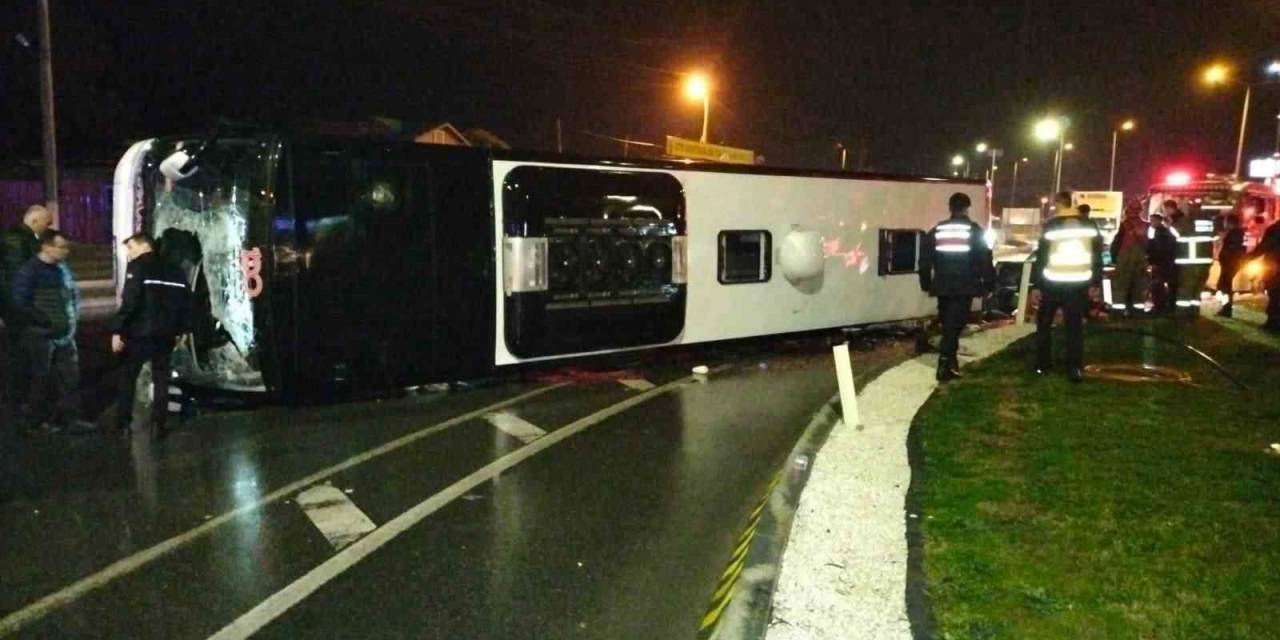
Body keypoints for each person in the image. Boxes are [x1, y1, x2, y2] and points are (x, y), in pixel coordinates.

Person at [9, 230, 94, 433]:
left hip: (64, 334)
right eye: (61, 247)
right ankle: (36, 423)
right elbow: (19, 303)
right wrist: (44, 321)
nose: (66, 251)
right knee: (41, 379)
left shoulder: (59, 270)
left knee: (70, 378)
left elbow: (68, 297)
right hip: (41, 335)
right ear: (46, 247)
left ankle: (70, 419)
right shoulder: (30, 271)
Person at [110, 233, 191, 439]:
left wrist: (118, 329)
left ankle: (123, 424)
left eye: (131, 247)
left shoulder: (138, 266)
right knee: (161, 378)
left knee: (128, 377)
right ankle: (159, 425)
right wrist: (182, 330)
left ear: (144, 246)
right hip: (167, 334)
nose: (129, 253)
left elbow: (131, 301)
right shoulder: (175, 269)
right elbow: (185, 303)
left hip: (140, 333)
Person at [918, 192, 995, 382]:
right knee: (954, 326)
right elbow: (985, 260)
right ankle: (944, 364)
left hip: (943, 286)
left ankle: (950, 363)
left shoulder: (937, 230)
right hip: (964, 286)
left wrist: (926, 284)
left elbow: (924, 261)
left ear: (950, 208)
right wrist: (989, 284)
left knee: (948, 324)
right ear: (967, 208)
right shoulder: (974, 231)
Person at [1032, 192, 1103, 383]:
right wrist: (1095, 283)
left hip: (1052, 283)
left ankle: (1043, 364)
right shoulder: (1088, 225)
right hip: (1078, 284)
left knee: (1044, 325)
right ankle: (1074, 367)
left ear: (1058, 204)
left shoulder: (1051, 225)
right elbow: (1097, 255)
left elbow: (1042, 256)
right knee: (1074, 327)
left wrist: (1037, 286)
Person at [2, 205, 54, 414]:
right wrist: (30, 312)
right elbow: (18, 280)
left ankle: (19, 401)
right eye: (47, 223)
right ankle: (21, 404)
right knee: (23, 357)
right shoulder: (18, 242)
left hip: (15, 310)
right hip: (20, 311)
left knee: (19, 355)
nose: (49, 227)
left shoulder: (17, 238)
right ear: (34, 221)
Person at [1171, 204, 1213, 316]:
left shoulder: (1185, 221)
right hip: (1204, 262)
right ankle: (1194, 312)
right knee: (1197, 289)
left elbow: (1174, 230)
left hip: (1188, 262)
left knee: (1185, 289)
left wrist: (1176, 216)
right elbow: (1214, 236)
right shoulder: (1208, 222)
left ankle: (1182, 314)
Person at [1109, 201, 1149, 316]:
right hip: (1139, 260)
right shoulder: (1146, 226)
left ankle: (1118, 311)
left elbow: (1116, 244)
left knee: (1121, 286)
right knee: (1138, 287)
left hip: (1125, 260)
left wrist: (1114, 259)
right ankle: (1137, 311)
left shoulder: (1124, 225)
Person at [1248, 218, 1280, 332]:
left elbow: (1264, 246)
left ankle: (1274, 322)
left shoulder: (1275, 229)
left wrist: (1249, 257)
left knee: (1275, 294)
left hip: (1275, 267)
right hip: (1275, 266)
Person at [1146, 212, 1179, 316]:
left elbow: (1158, 249)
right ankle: (1166, 306)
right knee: (1164, 285)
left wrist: (1153, 261)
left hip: (1161, 263)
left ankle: (1159, 307)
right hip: (1167, 263)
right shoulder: (1164, 232)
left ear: (1158, 221)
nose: (1151, 223)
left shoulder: (1160, 233)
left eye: (1152, 220)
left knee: (1157, 285)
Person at [1214, 214, 1246, 318]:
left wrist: (1224, 258)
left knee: (1224, 286)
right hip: (1232, 263)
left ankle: (1227, 308)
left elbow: (1231, 250)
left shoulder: (1234, 234)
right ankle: (1226, 308)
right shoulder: (1238, 233)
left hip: (1230, 263)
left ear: (1229, 223)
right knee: (1224, 286)